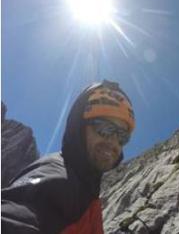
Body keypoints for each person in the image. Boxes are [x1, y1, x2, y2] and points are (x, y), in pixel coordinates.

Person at [1, 81, 135, 234]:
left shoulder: (86, 182)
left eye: (123, 137)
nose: (113, 142)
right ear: (79, 127)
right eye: (105, 129)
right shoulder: (58, 178)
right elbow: (15, 216)